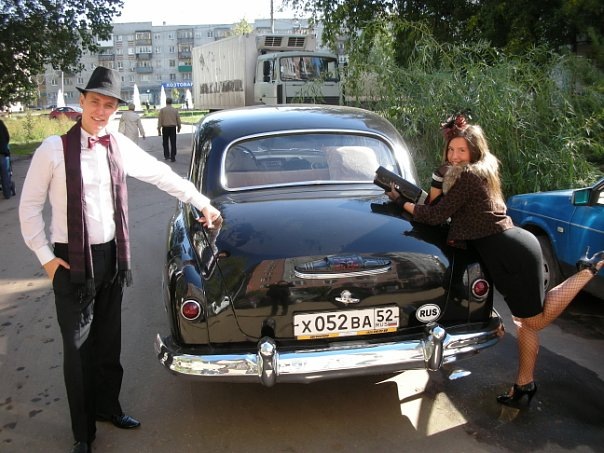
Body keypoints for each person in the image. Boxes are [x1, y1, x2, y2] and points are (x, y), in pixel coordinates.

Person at [18, 66, 221, 453]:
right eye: (95, 102)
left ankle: (108, 408)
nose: (101, 111)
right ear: (81, 101)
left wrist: (201, 201)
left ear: (115, 109)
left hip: (112, 256)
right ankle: (83, 434)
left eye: (108, 105)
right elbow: (28, 208)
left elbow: (160, 174)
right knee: (78, 350)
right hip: (70, 261)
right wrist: (46, 258)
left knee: (108, 343)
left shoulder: (117, 145)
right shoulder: (52, 150)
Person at [386, 113, 603, 408]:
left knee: (535, 321)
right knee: (524, 323)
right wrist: (435, 182)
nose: (454, 155)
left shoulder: (469, 177)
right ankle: (524, 386)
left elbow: (435, 215)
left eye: (461, 150)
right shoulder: (477, 173)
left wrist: (401, 202)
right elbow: (440, 205)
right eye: (451, 149)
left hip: (511, 252)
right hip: (508, 247)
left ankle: (588, 269)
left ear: (474, 151)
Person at [157, 97, 181, 162]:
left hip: (165, 128)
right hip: (173, 128)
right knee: (173, 142)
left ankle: (166, 155)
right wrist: (179, 127)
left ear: (166, 102)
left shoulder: (162, 110)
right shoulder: (175, 110)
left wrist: (159, 129)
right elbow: (178, 119)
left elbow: (160, 120)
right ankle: (173, 156)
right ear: (171, 102)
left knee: (165, 142)